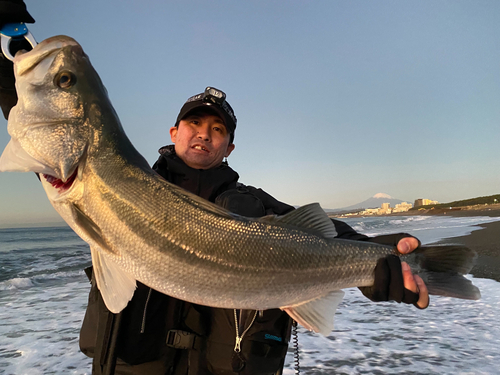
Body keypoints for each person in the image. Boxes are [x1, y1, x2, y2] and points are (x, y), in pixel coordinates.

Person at [0, 3, 428, 374]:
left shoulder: (256, 205)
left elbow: (326, 234)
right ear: (174, 130)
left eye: (217, 129)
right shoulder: (90, 172)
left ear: (230, 146)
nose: (203, 134)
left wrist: (386, 261)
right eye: (194, 123)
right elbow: (32, 112)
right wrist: (10, 32)